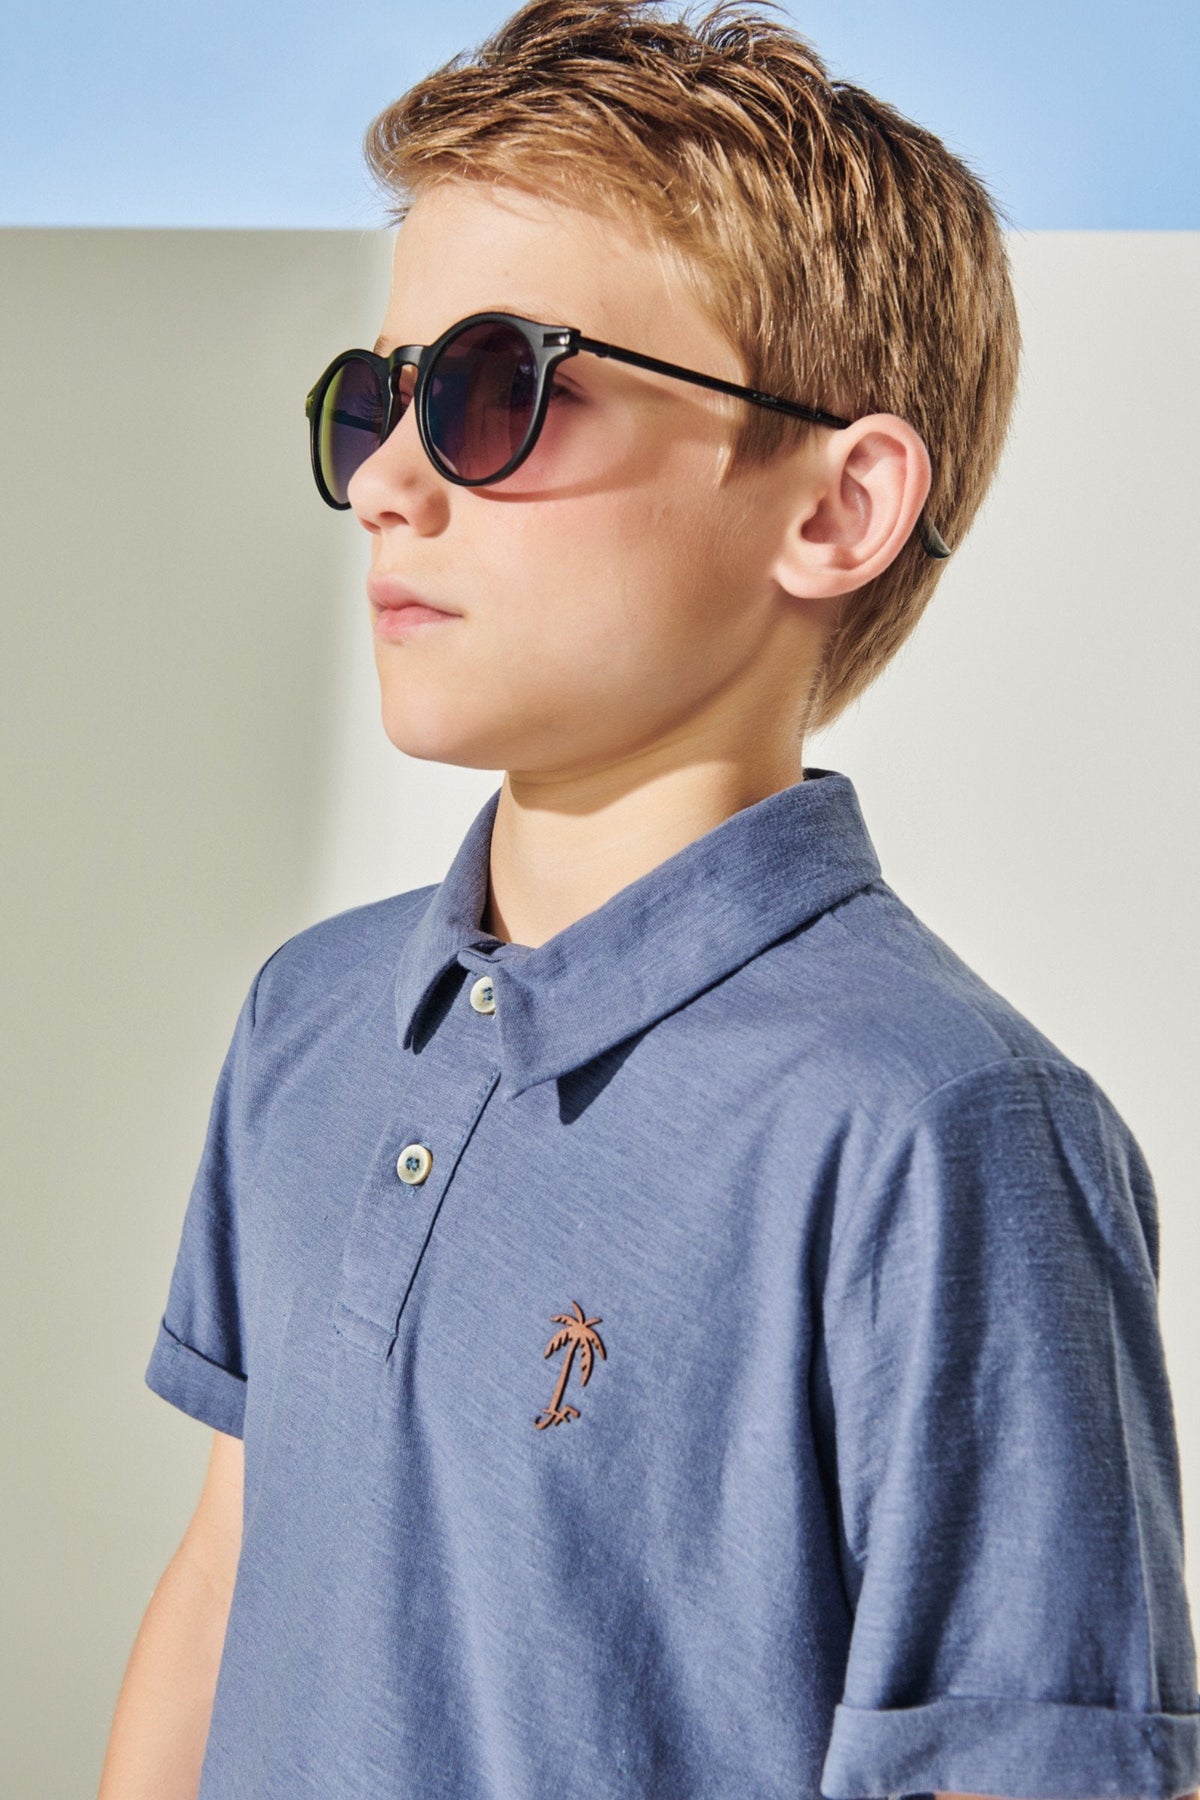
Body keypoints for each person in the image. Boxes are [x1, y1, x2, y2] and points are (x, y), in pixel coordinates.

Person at [98, 2, 1200, 1796]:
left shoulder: (947, 1129)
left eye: (495, 392)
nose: (385, 485)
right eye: (376, 401)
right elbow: (228, 1580)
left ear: (837, 507)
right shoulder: (311, 1017)